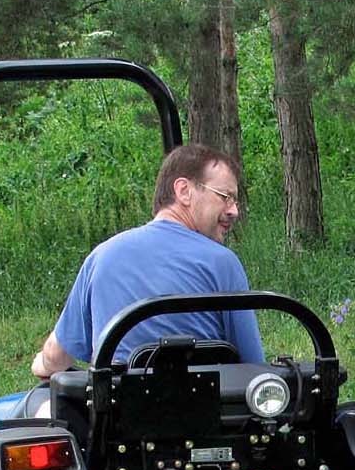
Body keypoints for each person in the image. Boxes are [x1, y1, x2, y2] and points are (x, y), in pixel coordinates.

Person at [32, 143, 263, 379]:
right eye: (225, 197)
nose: (234, 210)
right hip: (205, 412)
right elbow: (254, 368)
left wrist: (42, 364)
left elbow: (56, 356)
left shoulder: (102, 257)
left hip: (117, 413)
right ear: (184, 191)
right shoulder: (222, 263)